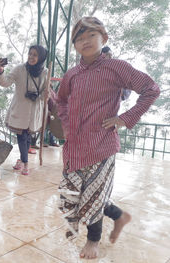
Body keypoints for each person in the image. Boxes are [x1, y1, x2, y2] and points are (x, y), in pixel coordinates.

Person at [56, 17, 160, 259]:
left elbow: (151, 89)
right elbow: (61, 101)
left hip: (101, 145)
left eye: (91, 35)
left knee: (93, 195)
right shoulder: (71, 74)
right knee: (71, 194)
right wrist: (67, 125)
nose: (85, 41)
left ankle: (93, 241)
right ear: (74, 46)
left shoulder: (117, 68)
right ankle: (119, 216)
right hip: (73, 147)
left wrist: (126, 117)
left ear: (104, 38)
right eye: (79, 39)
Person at [0, 45, 48, 176]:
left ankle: (21, 159)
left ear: (41, 57)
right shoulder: (19, 69)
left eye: (35, 55)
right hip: (20, 110)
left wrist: (40, 95)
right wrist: (1, 70)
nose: (31, 57)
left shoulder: (45, 72)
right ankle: (26, 163)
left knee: (27, 137)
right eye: (30, 54)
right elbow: (5, 83)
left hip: (34, 110)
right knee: (22, 136)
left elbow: (46, 93)